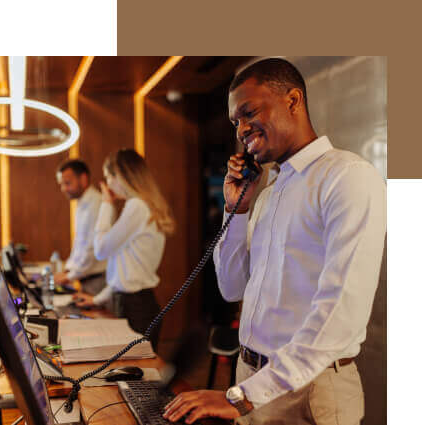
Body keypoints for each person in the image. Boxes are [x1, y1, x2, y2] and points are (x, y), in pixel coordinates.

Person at [163, 58, 386, 424]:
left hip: (309, 389)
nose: (242, 129)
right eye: (236, 121)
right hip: (252, 376)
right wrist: (236, 211)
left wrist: (245, 397)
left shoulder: (347, 177)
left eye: (249, 112)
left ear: (293, 100)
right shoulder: (267, 193)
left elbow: (340, 313)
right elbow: (232, 287)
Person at [73, 148, 175, 350]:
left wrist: (107, 204)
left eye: (108, 177)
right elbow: (124, 272)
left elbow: (101, 249)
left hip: (136, 307)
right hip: (135, 303)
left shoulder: (137, 206)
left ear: (120, 176)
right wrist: (97, 299)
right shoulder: (140, 205)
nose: (108, 184)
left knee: (136, 376)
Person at [55, 159, 106, 290]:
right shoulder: (81, 203)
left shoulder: (96, 204)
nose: (63, 189)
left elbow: (91, 249)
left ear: (83, 179)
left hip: (97, 279)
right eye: (61, 184)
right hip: (86, 278)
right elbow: (79, 244)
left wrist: (69, 276)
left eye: (67, 183)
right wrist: (68, 270)